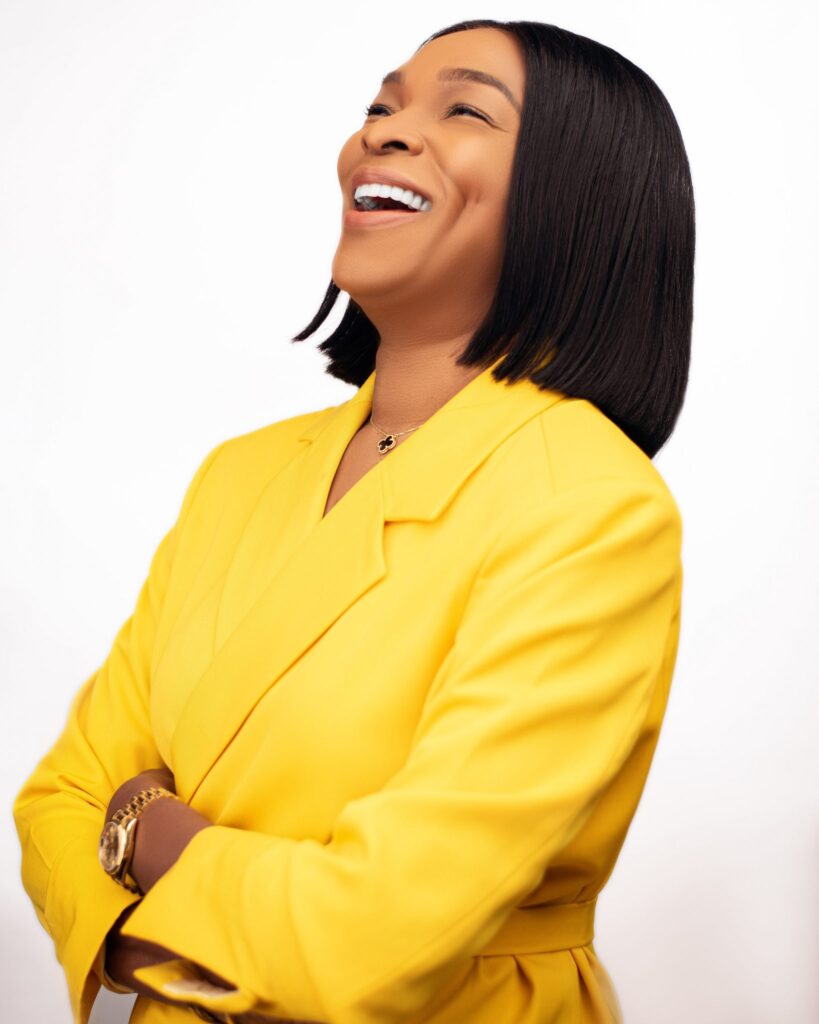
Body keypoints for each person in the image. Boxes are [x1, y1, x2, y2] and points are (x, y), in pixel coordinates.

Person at [13, 16, 694, 1024]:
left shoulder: (591, 504)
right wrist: (209, 898)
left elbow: (368, 938)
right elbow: (57, 800)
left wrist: (141, 833)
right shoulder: (239, 474)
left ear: (580, 196)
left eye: (464, 111)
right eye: (381, 104)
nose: (383, 130)